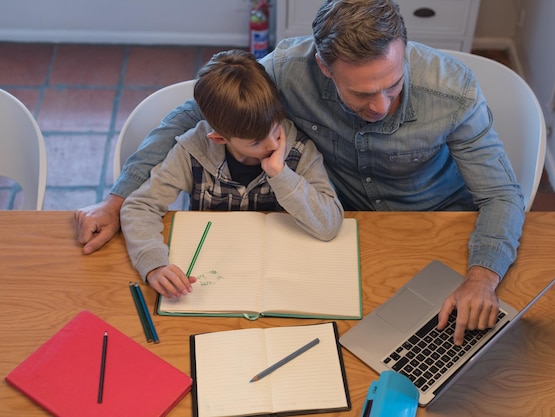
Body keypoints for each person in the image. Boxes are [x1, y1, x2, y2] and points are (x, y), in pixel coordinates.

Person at [76, 0, 525, 345]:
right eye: (363, 93)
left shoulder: (453, 91)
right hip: (333, 227)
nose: (382, 105)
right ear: (325, 68)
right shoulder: (287, 70)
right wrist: (116, 201)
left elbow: (502, 195)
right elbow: (191, 119)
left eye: (394, 84)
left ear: (403, 50)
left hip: (434, 228)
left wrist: (481, 279)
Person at [119, 50, 343, 298]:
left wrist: (281, 175)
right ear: (219, 138)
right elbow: (139, 206)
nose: (272, 145)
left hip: (279, 276)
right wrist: (154, 264)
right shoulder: (191, 151)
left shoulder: (300, 149)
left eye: (276, 128)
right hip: (211, 280)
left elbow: (330, 224)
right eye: (256, 142)